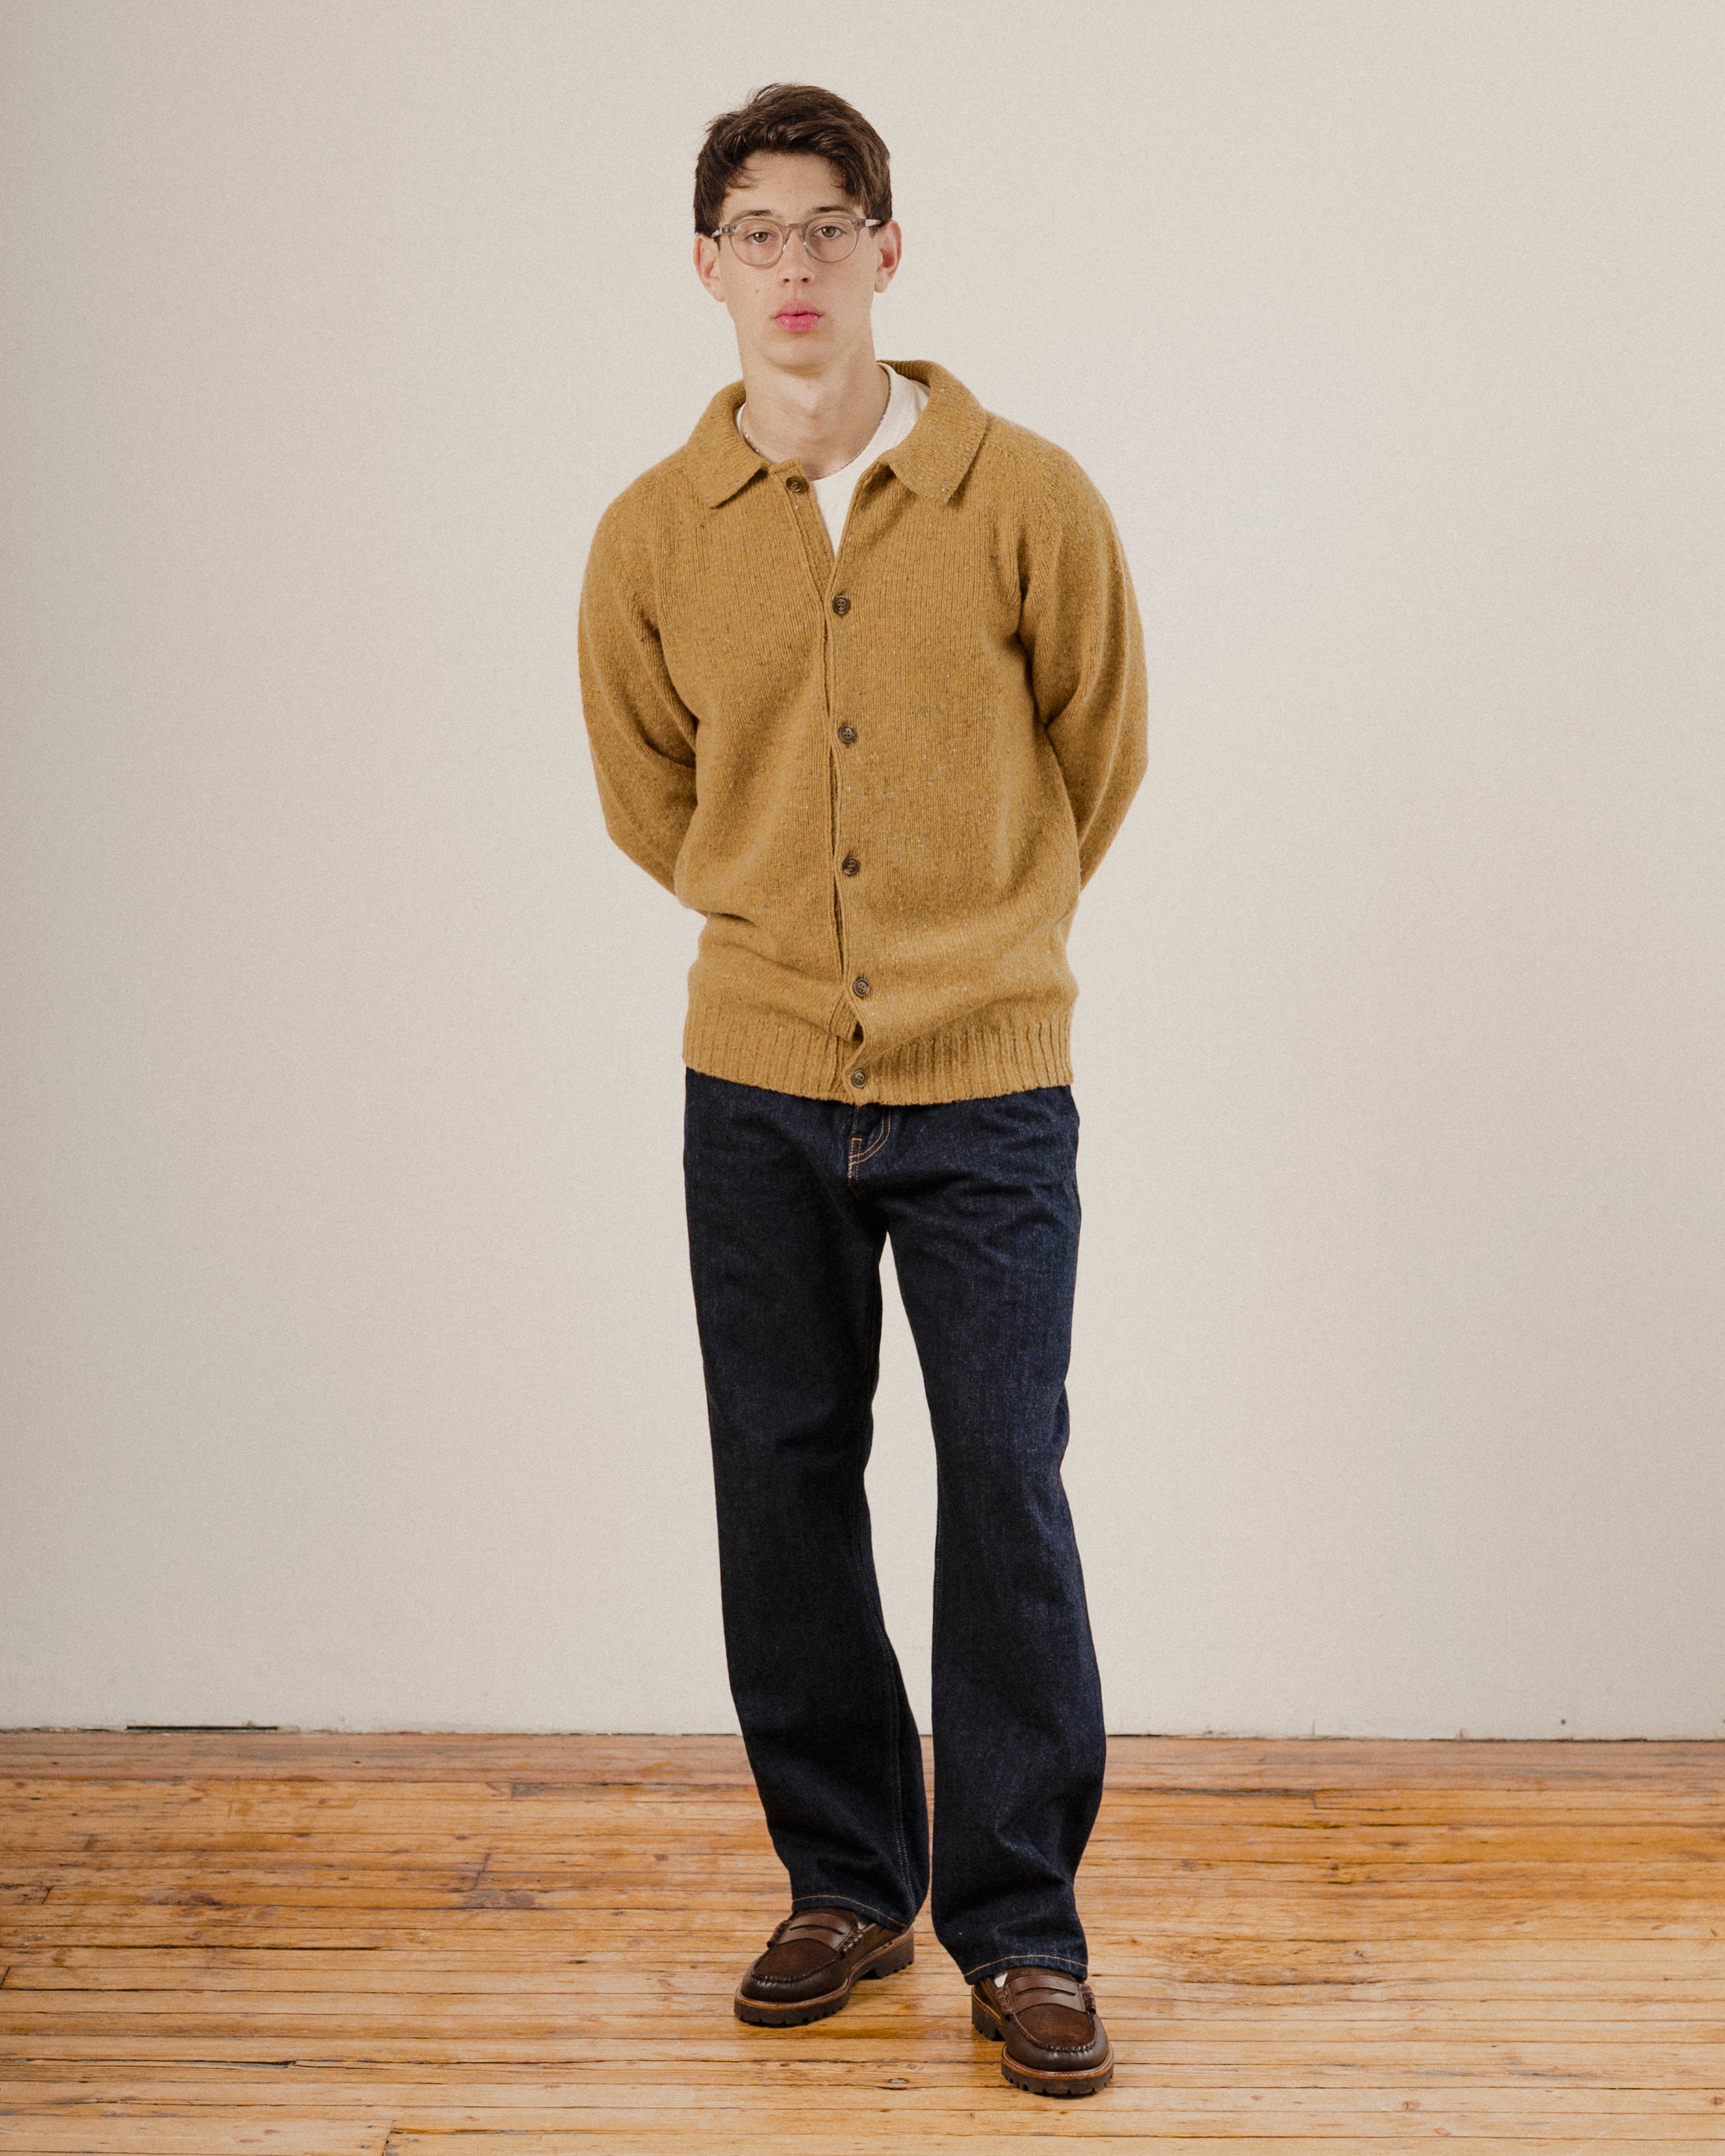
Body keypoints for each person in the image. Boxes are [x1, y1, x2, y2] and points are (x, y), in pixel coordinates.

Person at [577, 81, 1147, 2099]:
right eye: (760, 230)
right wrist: (791, 945)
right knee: (784, 1481)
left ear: (889, 255)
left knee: (1001, 1487)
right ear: (708, 266)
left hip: (991, 1084)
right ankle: (843, 1877)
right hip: (750, 1085)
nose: (796, 267)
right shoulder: (653, 536)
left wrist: (974, 937)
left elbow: (1101, 749)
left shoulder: (1025, 496)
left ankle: (1021, 1929)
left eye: (832, 229)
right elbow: (656, 795)